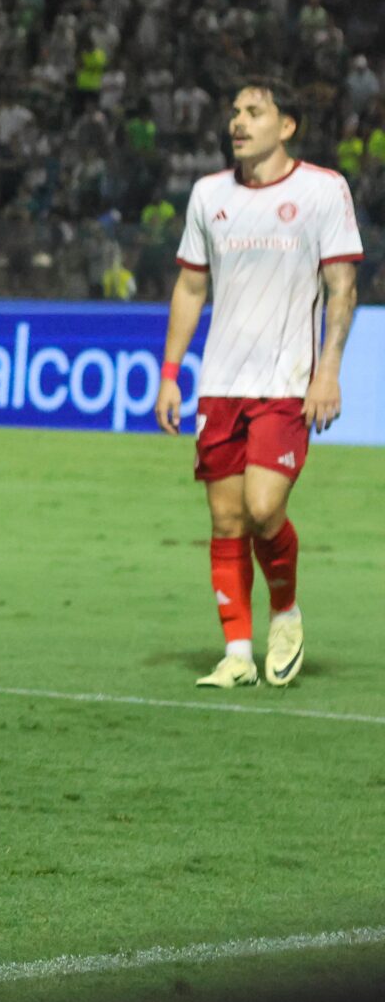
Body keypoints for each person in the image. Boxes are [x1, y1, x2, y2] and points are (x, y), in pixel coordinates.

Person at [155, 81, 361, 689]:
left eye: (254, 112)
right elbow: (191, 288)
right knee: (225, 521)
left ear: (287, 125)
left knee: (264, 507)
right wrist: (170, 374)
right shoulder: (208, 194)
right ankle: (237, 653)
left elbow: (341, 288)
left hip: (287, 381)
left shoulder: (323, 190)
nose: (238, 122)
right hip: (220, 384)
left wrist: (328, 371)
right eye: (235, 112)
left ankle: (287, 612)